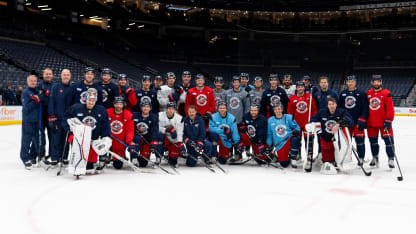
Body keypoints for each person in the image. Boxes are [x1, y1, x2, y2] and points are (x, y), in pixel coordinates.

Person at [64, 88, 111, 173]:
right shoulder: (76, 108)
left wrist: (105, 137)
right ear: (85, 99)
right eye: (89, 100)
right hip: (79, 137)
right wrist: (70, 127)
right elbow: (66, 118)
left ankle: (91, 162)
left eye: (93, 100)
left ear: (96, 100)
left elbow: (105, 125)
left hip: (94, 139)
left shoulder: (101, 110)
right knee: (77, 148)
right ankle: (75, 163)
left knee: (89, 166)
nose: (91, 102)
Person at [307, 97, 353, 170]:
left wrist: (339, 123)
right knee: (328, 161)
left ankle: (342, 162)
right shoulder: (322, 112)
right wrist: (311, 125)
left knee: (339, 157)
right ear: (327, 105)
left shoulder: (342, 112)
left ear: (336, 105)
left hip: (338, 139)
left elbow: (350, 121)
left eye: (333, 104)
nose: (331, 106)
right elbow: (313, 120)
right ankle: (324, 159)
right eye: (329, 104)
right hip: (325, 138)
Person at [366, 74, 396, 168]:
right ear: (372, 82)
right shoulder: (368, 93)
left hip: (384, 123)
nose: (376, 83)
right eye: (374, 81)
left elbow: (390, 109)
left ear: (381, 82)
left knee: (389, 141)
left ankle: (391, 158)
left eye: (378, 81)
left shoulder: (386, 93)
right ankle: (375, 157)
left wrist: (388, 121)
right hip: (371, 123)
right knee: (373, 142)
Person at [338, 75, 369, 166]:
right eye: (349, 81)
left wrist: (362, 119)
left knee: (360, 141)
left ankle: (361, 158)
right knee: (346, 142)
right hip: (347, 123)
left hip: (357, 122)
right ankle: (347, 158)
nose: (350, 83)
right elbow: (340, 108)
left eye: (352, 81)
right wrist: (341, 118)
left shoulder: (361, 93)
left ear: (355, 82)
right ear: (346, 83)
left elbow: (365, 108)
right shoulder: (343, 93)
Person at [47, 69, 73, 166]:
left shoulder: (72, 88)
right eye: (64, 74)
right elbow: (51, 102)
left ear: (70, 76)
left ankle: (64, 157)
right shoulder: (55, 87)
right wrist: (52, 116)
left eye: (68, 74)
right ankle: (55, 158)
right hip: (57, 118)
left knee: (66, 139)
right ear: (61, 76)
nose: (66, 76)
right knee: (56, 139)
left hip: (67, 119)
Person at [287, 81, 317, 160]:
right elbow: (289, 113)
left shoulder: (309, 97)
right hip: (296, 124)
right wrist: (291, 123)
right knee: (296, 140)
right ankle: (297, 154)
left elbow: (314, 110)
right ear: (296, 88)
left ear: (304, 87)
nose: (300, 88)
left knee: (309, 140)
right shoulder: (292, 98)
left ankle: (309, 155)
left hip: (307, 123)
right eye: (298, 87)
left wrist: (313, 121)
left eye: (301, 87)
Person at [266, 103, 300, 168]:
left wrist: (296, 131)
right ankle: (283, 157)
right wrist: (269, 145)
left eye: (279, 109)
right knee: (284, 164)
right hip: (279, 144)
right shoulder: (270, 120)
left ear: (282, 109)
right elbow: (269, 133)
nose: (277, 111)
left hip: (288, 140)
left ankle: (293, 158)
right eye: (275, 109)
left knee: (295, 139)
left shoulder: (289, 117)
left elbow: (297, 128)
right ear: (273, 110)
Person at [107, 96, 134, 169]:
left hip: (121, 141)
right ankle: (103, 159)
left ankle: (123, 155)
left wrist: (129, 142)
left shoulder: (128, 115)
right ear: (114, 104)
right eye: (117, 104)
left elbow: (130, 131)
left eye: (120, 104)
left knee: (117, 165)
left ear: (123, 105)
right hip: (109, 139)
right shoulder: (108, 112)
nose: (118, 106)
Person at [19, 75, 41, 169]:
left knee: (36, 140)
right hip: (28, 121)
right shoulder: (25, 92)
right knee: (26, 140)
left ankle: (32, 157)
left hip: (37, 121)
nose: (33, 82)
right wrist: (35, 101)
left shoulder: (36, 91)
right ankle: (24, 158)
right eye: (31, 81)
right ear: (27, 82)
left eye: (34, 81)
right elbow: (26, 108)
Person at [32, 68, 54, 161]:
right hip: (40, 115)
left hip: (51, 116)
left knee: (52, 137)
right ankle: (35, 155)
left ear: (52, 75)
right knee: (39, 136)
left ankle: (53, 155)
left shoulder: (55, 86)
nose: (48, 75)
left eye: (49, 74)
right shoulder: (38, 86)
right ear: (43, 75)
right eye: (46, 74)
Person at [131, 101, 160, 167]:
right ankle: (134, 158)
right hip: (137, 140)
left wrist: (153, 142)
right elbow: (130, 128)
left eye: (147, 107)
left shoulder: (153, 117)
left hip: (147, 140)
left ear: (150, 108)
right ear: (141, 108)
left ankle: (142, 157)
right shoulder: (134, 115)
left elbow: (155, 131)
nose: (145, 108)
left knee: (143, 163)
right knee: (136, 138)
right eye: (144, 106)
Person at [158, 102, 185, 168]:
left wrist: (180, 142)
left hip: (173, 138)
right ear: (166, 109)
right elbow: (157, 127)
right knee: (159, 140)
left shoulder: (179, 118)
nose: (170, 110)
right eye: (169, 108)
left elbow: (180, 131)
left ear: (175, 110)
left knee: (173, 161)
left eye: (172, 109)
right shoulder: (160, 115)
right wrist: (166, 130)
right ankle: (158, 157)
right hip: (163, 137)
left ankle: (171, 155)